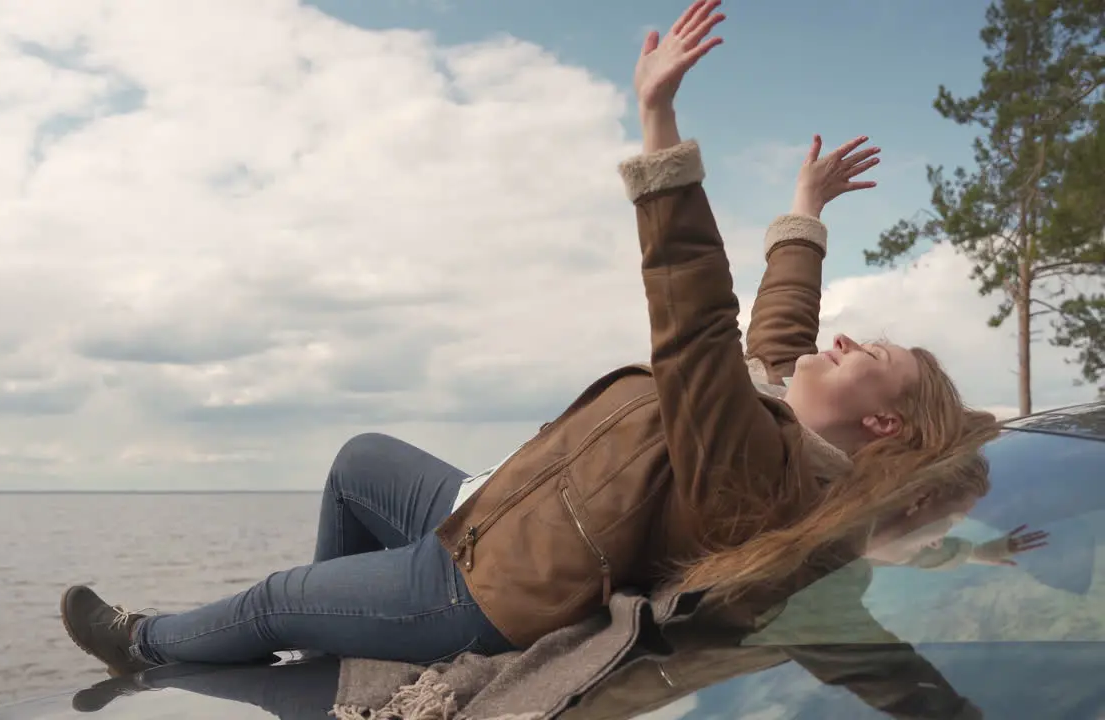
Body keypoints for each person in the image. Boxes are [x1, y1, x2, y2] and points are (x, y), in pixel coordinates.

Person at [59, 0, 999, 679]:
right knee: (356, 461)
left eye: (866, 356)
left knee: (269, 597)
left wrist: (659, 125)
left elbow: (699, 323)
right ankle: (331, 653)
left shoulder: (759, 466)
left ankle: (144, 644)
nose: (839, 342)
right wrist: (806, 208)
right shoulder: (772, 405)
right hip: (493, 506)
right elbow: (778, 323)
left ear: (879, 426)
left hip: (485, 588)